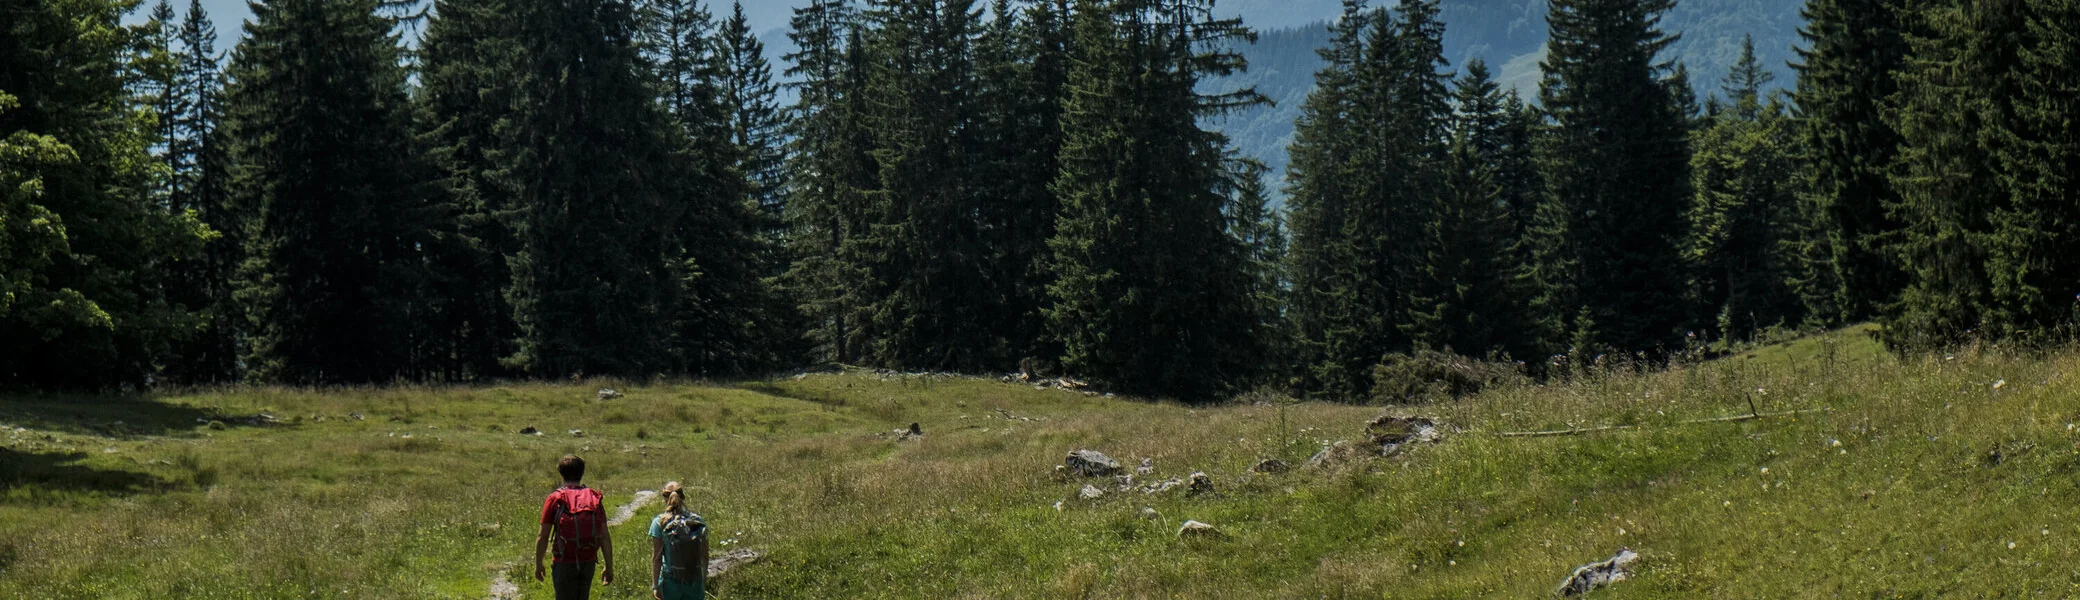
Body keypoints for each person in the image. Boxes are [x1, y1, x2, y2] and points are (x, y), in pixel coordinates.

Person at [536, 455, 614, 600]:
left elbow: (543, 536)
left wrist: (539, 563)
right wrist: (609, 567)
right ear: (582, 472)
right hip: (588, 559)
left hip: (564, 561)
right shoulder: (593, 497)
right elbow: (604, 535)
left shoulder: (555, 498)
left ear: (561, 473)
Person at [648, 481, 708, 600]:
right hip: (694, 581)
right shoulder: (697, 521)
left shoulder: (659, 522)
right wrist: (702, 580)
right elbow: (704, 555)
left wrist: (655, 586)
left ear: (665, 499)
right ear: (683, 497)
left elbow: (657, 558)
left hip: (670, 582)